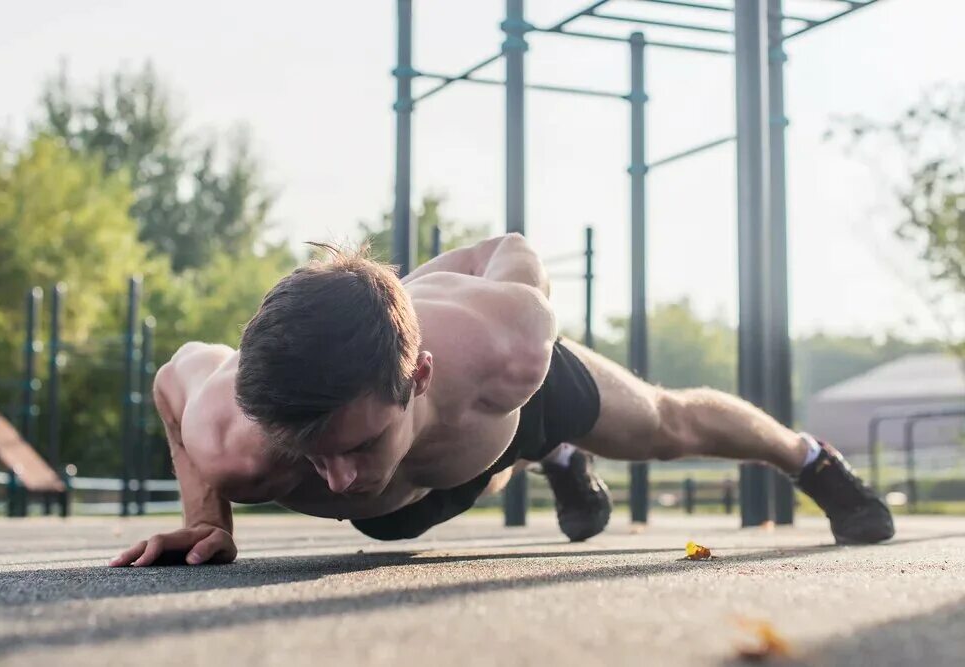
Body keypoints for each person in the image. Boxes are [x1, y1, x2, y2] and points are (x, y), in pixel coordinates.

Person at [109, 234, 893, 568]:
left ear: (416, 374)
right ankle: (546, 459)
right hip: (425, 490)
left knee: (665, 422)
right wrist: (208, 519)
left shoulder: (509, 342)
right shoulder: (237, 435)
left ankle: (813, 459)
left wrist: (414, 292)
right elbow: (172, 376)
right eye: (316, 452)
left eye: (356, 444)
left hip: (494, 404)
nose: (338, 480)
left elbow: (504, 248)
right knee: (452, 481)